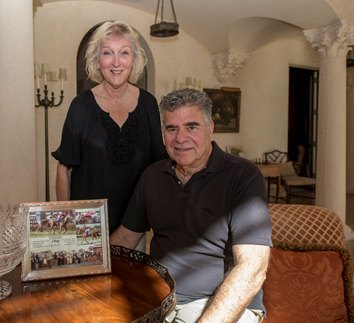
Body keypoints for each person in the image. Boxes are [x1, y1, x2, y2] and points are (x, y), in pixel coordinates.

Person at [110, 88, 272, 323]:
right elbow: (125, 239)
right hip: (157, 299)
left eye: (191, 127)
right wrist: (83, 267)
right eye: (171, 128)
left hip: (221, 304)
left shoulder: (242, 176)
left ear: (210, 128)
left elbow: (252, 268)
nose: (180, 138)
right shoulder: (153, 175)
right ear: (163, 133)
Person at [52, 21, 166, 234]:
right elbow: (64, 168)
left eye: (124, 53)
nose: (116, 62)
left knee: (130, 269)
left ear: (134, 60)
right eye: (107, 53)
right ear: (97, 61)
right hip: (86, 224)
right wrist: (65, 219)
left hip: (134, 224)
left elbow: (158, 167)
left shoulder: (149, 103)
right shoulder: (81, 106)